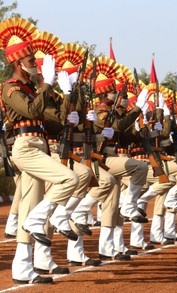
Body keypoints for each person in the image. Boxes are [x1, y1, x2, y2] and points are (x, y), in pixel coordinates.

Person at [0, 18, 79, 284]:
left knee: (29, 208)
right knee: (70, 179)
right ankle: (44, 218)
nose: (36, 63)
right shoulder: (11, 89)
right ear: (18, 64)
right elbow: (33, 112)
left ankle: (22, 267)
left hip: (40, 147)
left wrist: (68, 93)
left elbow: (55, 118)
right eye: (32, 61)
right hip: (25, 149)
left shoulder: (33, 90)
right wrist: (46, 85)